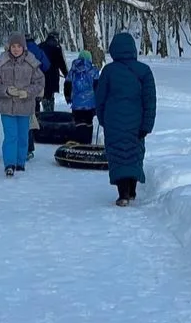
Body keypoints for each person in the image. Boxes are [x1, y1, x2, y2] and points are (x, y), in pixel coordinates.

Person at [95, 32, 156, 206]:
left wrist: (103, 119)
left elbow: (100, 98)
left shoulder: (108, 71)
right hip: (136, 123)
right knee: (134, 154)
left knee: (118, 155)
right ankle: (132, 189)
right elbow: (150, 100)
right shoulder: (144, 71)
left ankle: (123, 194)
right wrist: (147, 124)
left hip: (113, 121)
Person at [0, 32, 45, 177]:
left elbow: (39, 82)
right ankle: (9, 164)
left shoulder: (31, 62)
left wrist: (28, 92)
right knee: (11, 136)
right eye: (13, 46)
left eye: (19, 46)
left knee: (23, 136)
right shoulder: (1, 62)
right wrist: (5, 90)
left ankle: (20, 162)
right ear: (9, 47)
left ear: (23, 47)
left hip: (25, 107)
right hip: (7, 106)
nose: (16, 49)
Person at [24, 33, 51, 158]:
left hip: (24, 86)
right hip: (36, 85)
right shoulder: (37, 49)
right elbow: (46, 65)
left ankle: (28, 144)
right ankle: (35, 135)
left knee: (25, 116)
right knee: (33, 112)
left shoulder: (18, 49)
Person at [66, 49, 100, 132]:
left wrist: (68, 97)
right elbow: (97, 87)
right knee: (88, 122)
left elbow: (67, 84)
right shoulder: (93, 71)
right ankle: (87, 140)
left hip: (76, 102)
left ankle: (79, 140)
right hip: (90, 104)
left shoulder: (73, 70)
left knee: (77, 122)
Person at [39, 32, 70, 112]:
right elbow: (62, 64)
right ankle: (49, 114)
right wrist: (67, 75)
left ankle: (43, 115)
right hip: (52, 77)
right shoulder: (56, 48)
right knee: (50, 96)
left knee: (44, 96)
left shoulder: (40, 46)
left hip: (40, 77)